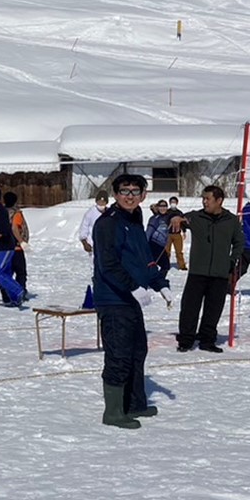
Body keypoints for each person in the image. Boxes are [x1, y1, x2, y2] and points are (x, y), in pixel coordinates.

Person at [91, 174, 168, 428]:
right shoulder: (108, 224)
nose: (130, 195)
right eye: (124, 191)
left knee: (138, 351)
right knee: (119, 354)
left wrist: (159, 284)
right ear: (115, 194)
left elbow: (144, 261)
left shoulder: (135, 221)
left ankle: (134, 404)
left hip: (131, 300)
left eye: (136, 191)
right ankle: (113, 412)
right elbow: (108, 265)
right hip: (113, 299)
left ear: (144, 195)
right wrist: (133, 287)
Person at [168, 185, 243, 352]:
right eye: (203, 198)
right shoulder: (196, 217)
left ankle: (207, 340)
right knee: (189, 308)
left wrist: (231, 262)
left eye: (208, 199)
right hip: (197, 273)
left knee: (213, 309)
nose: (204, 202)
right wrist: (176, 218)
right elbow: (180, 219)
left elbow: (239, 243)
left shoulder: (231, 221)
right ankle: (186, 340)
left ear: (219, 201)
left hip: (220, 273)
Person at [0, 185, 26, 307]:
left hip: (4, 247)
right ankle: (13, 298)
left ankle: (18, 290)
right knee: (6, 273)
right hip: (5, 246)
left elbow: (4, 229)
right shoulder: (0, 209)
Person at [78, 189, 109, 308]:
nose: (101, 205)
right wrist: (84, 242)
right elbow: (84, 228)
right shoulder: (91, 213)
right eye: (99, 202)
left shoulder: (109, 212)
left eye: (103, 203)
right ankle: (97, 292)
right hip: (94, 245)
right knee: (95, 268)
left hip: (107, 245)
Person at [145, 200, 172, 277]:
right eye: (161, 207)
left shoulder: (168, 217)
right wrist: (145, 244)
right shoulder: (155, 218)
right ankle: (156, 280)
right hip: (154, 243)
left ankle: (157, 279)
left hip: (161, 245)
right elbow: (149, 231)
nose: (163, 208)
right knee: (163, 264)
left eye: (165, 206)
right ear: (158, 208)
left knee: (164, 265)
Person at [165, 195, 187, 270]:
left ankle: (182, 265)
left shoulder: (179, 212)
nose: (173, 203)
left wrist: (184, 231)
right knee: (166, 251)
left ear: (177, 203)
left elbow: (183, 223)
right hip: (168, 234)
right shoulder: (167, 212)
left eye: (174, 202)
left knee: (179, 251)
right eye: (171, 202)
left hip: (177, 234)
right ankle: (165, 265)